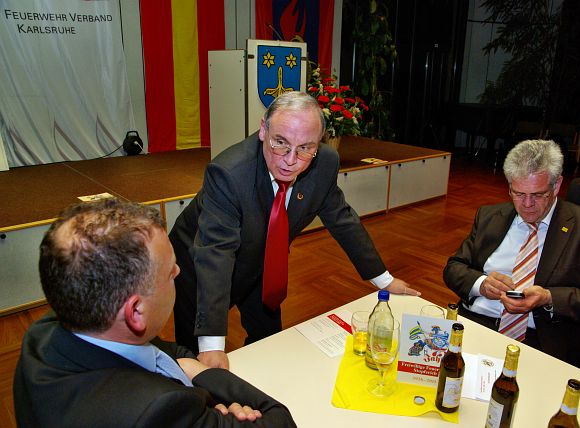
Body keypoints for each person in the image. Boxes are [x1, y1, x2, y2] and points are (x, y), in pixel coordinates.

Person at [170, 91, 417, 369]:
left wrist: (384, 281)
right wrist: (212, 346)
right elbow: (216, 251)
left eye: (305, 148)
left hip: (264, 261)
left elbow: (343, 220)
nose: (290, 160)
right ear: (263, 130)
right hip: (199, 265)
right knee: (195, 357)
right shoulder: (229, 173)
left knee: (269, 340)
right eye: (281, 143)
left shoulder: (324, 163)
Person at [13, 199, 297, 427]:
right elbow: (279, 419)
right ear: (136, 311)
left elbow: (165, 350)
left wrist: (192, 367)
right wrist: (205, 378)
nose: (179, 271)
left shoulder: (47, 331)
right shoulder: (156, 409)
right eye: (169, 271)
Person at [443, 139, 580, 373]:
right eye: (518, 193)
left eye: (538, 195)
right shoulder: (490, 216)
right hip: (477, 325)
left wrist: (548, 298)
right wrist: (481, 284)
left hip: (542, 339)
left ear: (556, 185)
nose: (527, 204)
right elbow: (453, 268)